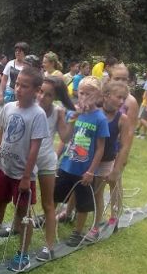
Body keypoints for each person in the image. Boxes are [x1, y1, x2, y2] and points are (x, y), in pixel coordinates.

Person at [0, 66, 49, 271]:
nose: (18, 89)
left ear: (36, 90)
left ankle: (23, 253)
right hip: (3, 168)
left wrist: (26, 177)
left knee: (23, 213)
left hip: (23, 175)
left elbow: (34, 148)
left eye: (24, 86)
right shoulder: (8, 107)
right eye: (17, 84)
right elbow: (1, 134)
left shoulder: (38, 114)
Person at [55, 76, 109, 247]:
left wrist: (91, 171)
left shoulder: (100, 119)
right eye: (81, 93)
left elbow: (100, 148)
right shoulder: (73, 113)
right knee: (55, 195)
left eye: (88, 94)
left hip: (84, 169)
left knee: (83, 204)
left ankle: (77, 232)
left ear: (98, 96)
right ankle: (48, 218)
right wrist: (56, 158)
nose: (83, 97)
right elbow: (64, 138)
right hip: (66, 165)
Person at [33, 76, 75, 261]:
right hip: (27, 160)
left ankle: (49, 246)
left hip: (46, 161)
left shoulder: (58, 112)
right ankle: (18, 227)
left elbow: (65, 138)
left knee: (48, 204)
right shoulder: (30, 105)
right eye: (40, 91)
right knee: (23, 200)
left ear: (55, 97)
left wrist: (73, 120)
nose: (42, 97)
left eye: (48, 95)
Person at [86, 81, 132, 239]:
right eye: (119, 97)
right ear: (106, 96)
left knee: (112, 187)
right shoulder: (94, 112)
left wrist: (117, 169)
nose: (122, 101)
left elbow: (125, 145)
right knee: (95, 192)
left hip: (108, 161)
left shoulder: (122, 119)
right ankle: (76, 215)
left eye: (124, 98)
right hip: (92, 159)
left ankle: (111, 218)